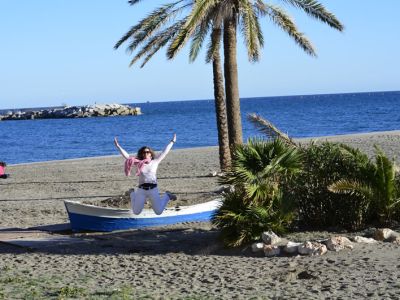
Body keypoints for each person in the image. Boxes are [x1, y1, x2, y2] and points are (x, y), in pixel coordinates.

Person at [114, 134, 177, 215]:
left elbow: (165, 152)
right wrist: (118, 146)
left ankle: (167, 196)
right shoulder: (137, 162)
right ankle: (132, 193)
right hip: (142, 190)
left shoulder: (155, 161)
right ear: (141, 154)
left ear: (151, 153)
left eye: (147, 152)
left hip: (153, 189)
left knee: (158, 212)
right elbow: (127, 156)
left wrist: (172, 141)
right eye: (144, 152)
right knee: (136, 212)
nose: (146, 153)